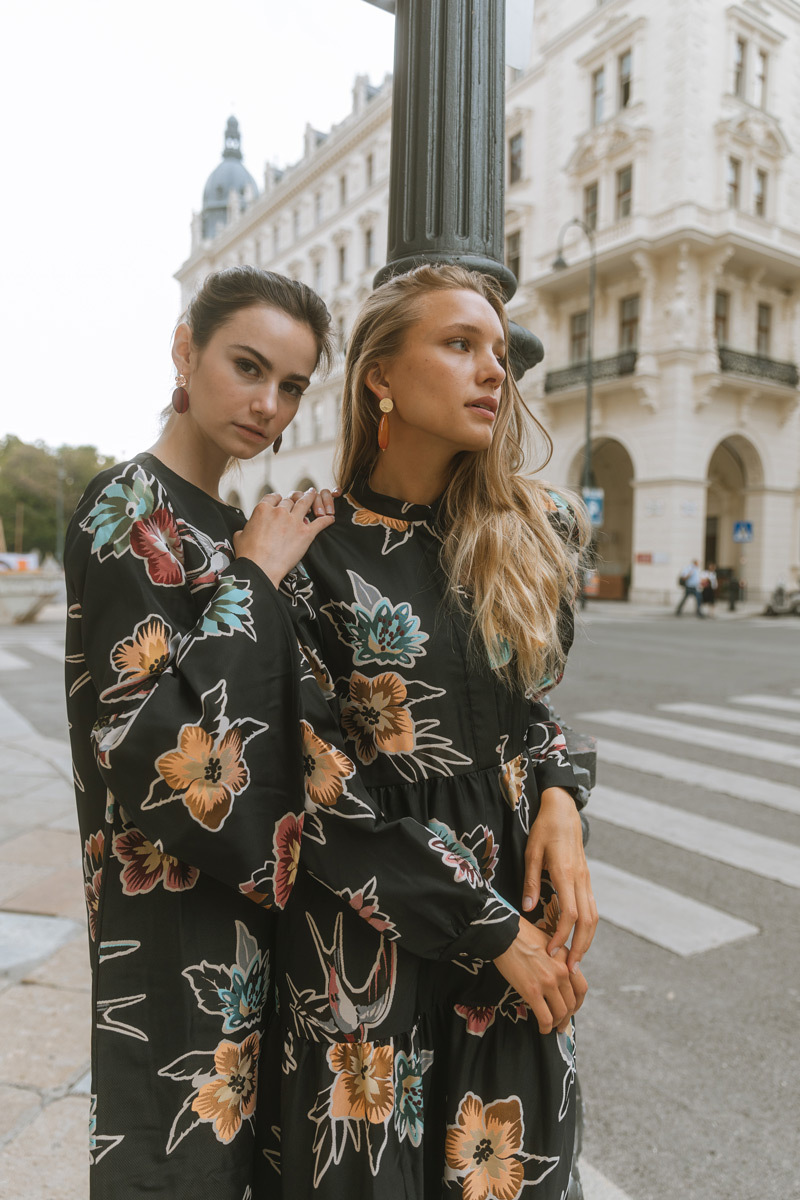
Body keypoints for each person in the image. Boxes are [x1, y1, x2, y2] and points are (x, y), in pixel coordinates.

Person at [259, 264, 597, 1198]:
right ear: (381, 377)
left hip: (510, 943)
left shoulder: (530, 532)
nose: (494, 371)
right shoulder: (307, 547)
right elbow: (317, 793)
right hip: (369, 945)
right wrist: (491, 928)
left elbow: (529, 713)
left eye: (498, 353)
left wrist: (564, 794)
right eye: (459, 346)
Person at [64, 266, 343, 1197]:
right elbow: (152, 749)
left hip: (265, 925)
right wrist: (255, 579)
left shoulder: (243, 526)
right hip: (170, 918)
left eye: (294, 386)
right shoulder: (126, 507)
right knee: (175, 1160)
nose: (269, 405)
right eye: (248, 367)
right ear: (186, 350)